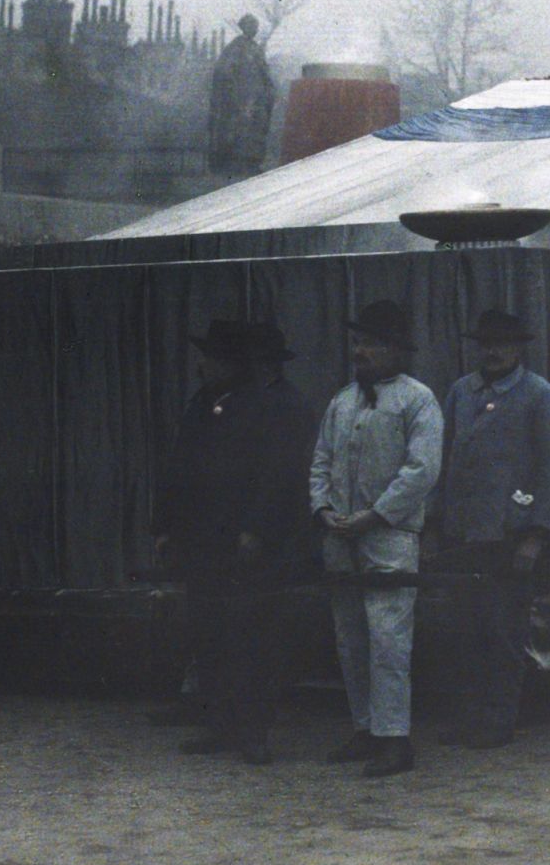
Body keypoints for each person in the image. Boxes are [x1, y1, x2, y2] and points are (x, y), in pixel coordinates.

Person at [157, 319, 318, 765]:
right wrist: (166, 526)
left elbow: (277, 477)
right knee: (208, 635)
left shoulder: (265, 407)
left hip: (244, 544)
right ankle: (219, 727)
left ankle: (253, 733)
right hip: (201, 542)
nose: (204, 366)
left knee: (250, 639)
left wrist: (257, 530)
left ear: (231, 364)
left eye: (212, 358)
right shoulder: (201, 407)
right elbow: (177, 469)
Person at [310, 300, 443, 777]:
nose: (360, 351)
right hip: (340, 536)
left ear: (394, 350)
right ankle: (365, 728)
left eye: (370, 343)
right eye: (358, 342)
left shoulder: (417, 400)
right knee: (350, 638)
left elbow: (422, 469)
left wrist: (376, 514)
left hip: (389, 536)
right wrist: (324, 509)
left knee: (388, 639)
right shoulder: (342, 401)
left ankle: (394, 739)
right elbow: (321, 461)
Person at [433, 308, 550, 749]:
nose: (494, 352)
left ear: (519, 348)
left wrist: (536, 534)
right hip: (463, 533)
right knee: (464, 631)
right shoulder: (461, 391)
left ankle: (500, 718)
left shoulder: (538, 394)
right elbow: (445, 458)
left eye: (503, 344)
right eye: (487, 343)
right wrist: (437, 524)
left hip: (509, 534)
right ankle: (467, 716)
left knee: (504, 630)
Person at [206, 13, 277, 175]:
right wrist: (233, 91)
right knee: (237, 129)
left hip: (256, 98)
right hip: (239, 98)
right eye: (251, 26)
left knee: (255, 129)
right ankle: (233, 164)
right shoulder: (234, 48)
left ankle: (252, 163)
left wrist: (269, 90)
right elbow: (223, 71)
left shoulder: (256, 48)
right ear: (244, 27)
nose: (255, 29)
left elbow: (264, 72)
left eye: (256, 26)